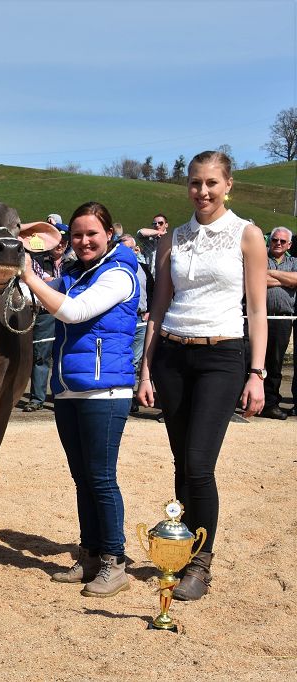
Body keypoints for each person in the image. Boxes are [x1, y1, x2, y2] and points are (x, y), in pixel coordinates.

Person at [138, 150, 268, 602]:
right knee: (181, 462)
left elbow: (257, 309)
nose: (203, 191)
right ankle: (180, 548)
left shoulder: (248, 235)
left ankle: (201, 563)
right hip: (173, 354)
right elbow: (158, 307)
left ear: (228, 185)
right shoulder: (173, 238)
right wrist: (146, 368)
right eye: (195, 182)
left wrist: (257, 372)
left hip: (222, 356)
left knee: (199, 464)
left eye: (212, 182)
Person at [21, 201, 139, 598]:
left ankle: (114, 561)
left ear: (109, 234)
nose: (84, 241)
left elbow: (74, 312)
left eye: (92, 233)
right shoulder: (73, 273)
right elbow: (36, 298)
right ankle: (89, 554)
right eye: (77, 234)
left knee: (101, 479)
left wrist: (29, 275)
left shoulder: (120, 273)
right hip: (70, 388)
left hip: (105, 391)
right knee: (82, 478)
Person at [22, 227, 69, 412]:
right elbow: (35, 282)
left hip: (68, 313)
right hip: (45, 313)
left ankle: (62, 396)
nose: (60, 245)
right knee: (40, 355)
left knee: (64, 355)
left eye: (64, 242)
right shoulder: (38, 260)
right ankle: (37, 399)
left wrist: (49, 283)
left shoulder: (73, 263)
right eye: (58, 241)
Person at [263, 227, 297, 419]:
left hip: (282, 319)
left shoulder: (294, 262)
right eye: (275, 240)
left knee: (275, 363)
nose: (278, 243)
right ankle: (248, 401)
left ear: (289, 245)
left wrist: (270, 274)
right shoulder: (260, 259)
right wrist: (285, 280)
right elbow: (256, 278)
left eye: (283, 241)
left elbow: (296, 279)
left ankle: (271, 403)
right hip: (258, 317)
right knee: (251, 361)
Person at [119, 234, 155, 413]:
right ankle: (119, 396)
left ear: (136, 250)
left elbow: (152, 289)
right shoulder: (115, 268)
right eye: (124, 248)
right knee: (121, 358)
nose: (129, 252)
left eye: (131, 249)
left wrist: (150, 310)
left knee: (134, 360)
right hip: (122, 320)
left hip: (141, 319)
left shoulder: (144, 269)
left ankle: (129, 396)